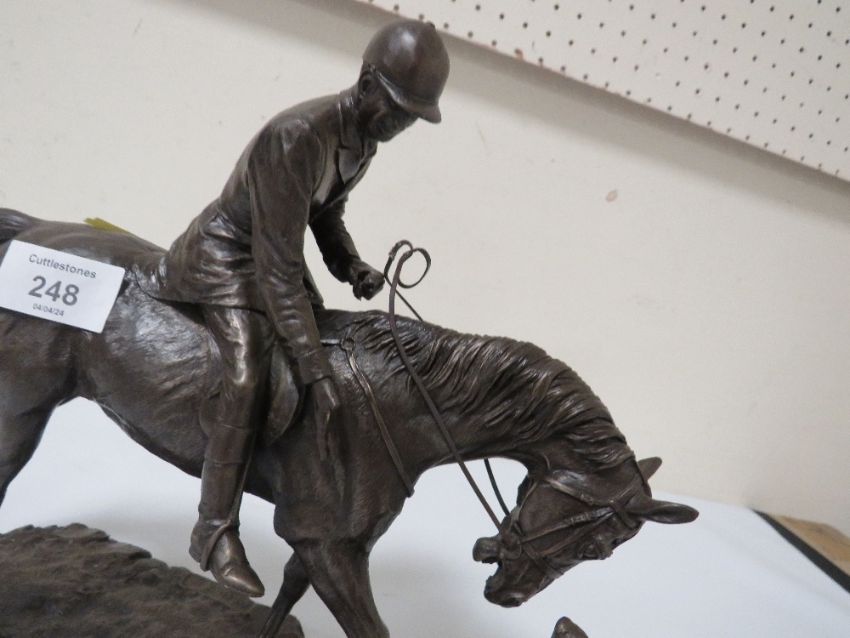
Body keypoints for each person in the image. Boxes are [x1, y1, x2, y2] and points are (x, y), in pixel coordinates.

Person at [140, 20, 450, 596]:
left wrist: (350, 265)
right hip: (227, 257)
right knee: (246, 376)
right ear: (367, 84)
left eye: (411, 117)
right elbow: (279, 266)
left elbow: (324, 214)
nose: (401, 124)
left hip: (272, 253)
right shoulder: (298, 136)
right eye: (397, 109)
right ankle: (213, 529)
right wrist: (312, 368)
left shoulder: (363, 140)